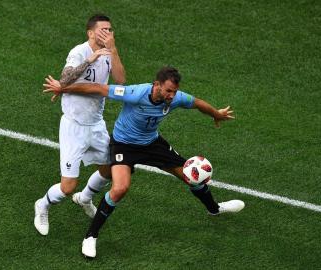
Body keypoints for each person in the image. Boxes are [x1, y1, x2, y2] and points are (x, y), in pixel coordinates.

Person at [43, 66, 245, 258]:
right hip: (124, 145)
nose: (171, 96)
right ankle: (90, 236)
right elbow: (98, 88)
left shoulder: (174, 99)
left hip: (152, 143)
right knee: (120, 188)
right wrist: (64, 88)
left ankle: (214, 209)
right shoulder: (135, 93)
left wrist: (216, 114)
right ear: (156, 84)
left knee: (190, 175)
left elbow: (198, 102)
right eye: (168, 91)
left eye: (174, 92)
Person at [34, 14, 126, 236]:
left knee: (108, 170)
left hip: (96, 125)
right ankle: (42, 205)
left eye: (110, 30)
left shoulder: (108, 53)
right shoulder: (79, 52)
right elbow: (64, 81)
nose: (108, 33)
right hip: (73, 127)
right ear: (90, 33)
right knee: (67, 186)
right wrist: (90, 59)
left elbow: (121, 80)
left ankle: (84, 198)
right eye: (103, 30)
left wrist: (113, 51)